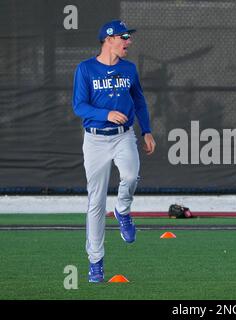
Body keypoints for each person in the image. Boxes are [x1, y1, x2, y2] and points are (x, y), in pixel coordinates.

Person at [72, 20, 156, 283]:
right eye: (124, 37)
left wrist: (147, 130)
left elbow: (139, 100)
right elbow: (79, 106)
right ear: (108, 40)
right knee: (96, 203)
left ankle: (122, 209)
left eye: (128, 37)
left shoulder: (129, 69)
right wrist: (105, 113)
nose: (128, 42)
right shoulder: (85, 69)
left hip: (123, 137)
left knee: (130, 176)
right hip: (95, 140)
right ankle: (95, 261)